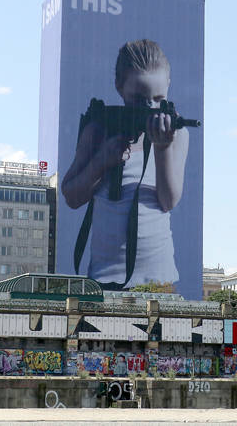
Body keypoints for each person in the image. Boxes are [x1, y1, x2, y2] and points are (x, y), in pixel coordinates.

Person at [62, 39, 188, 289]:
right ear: (119, 87)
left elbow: (168, 201)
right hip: (105, 279)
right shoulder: (99, 129)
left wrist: (162, 148)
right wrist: (102, 161)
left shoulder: (177, 133)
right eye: (138, 99)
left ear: (169, 86)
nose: (149, 107)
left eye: (158, 98)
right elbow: (71, 196)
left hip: (158, 278)